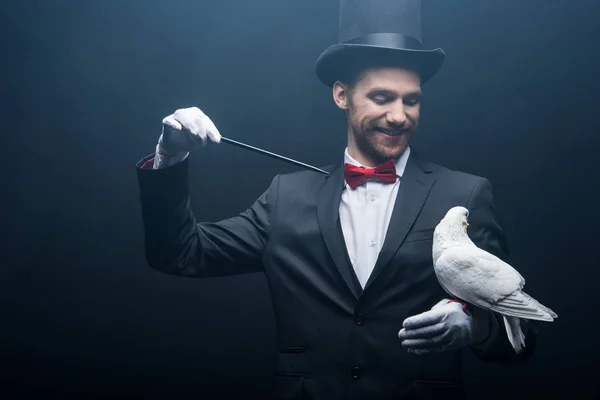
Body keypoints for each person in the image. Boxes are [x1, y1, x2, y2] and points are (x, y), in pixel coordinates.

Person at [135, 13, 537, 400]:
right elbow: (179, 254)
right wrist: (170, 155)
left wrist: (477, 325)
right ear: (341, 95)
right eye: (382, 97)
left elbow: (518, 339)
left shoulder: (465, 196)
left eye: (411, 101)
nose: (398, 116)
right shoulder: (285, 197)